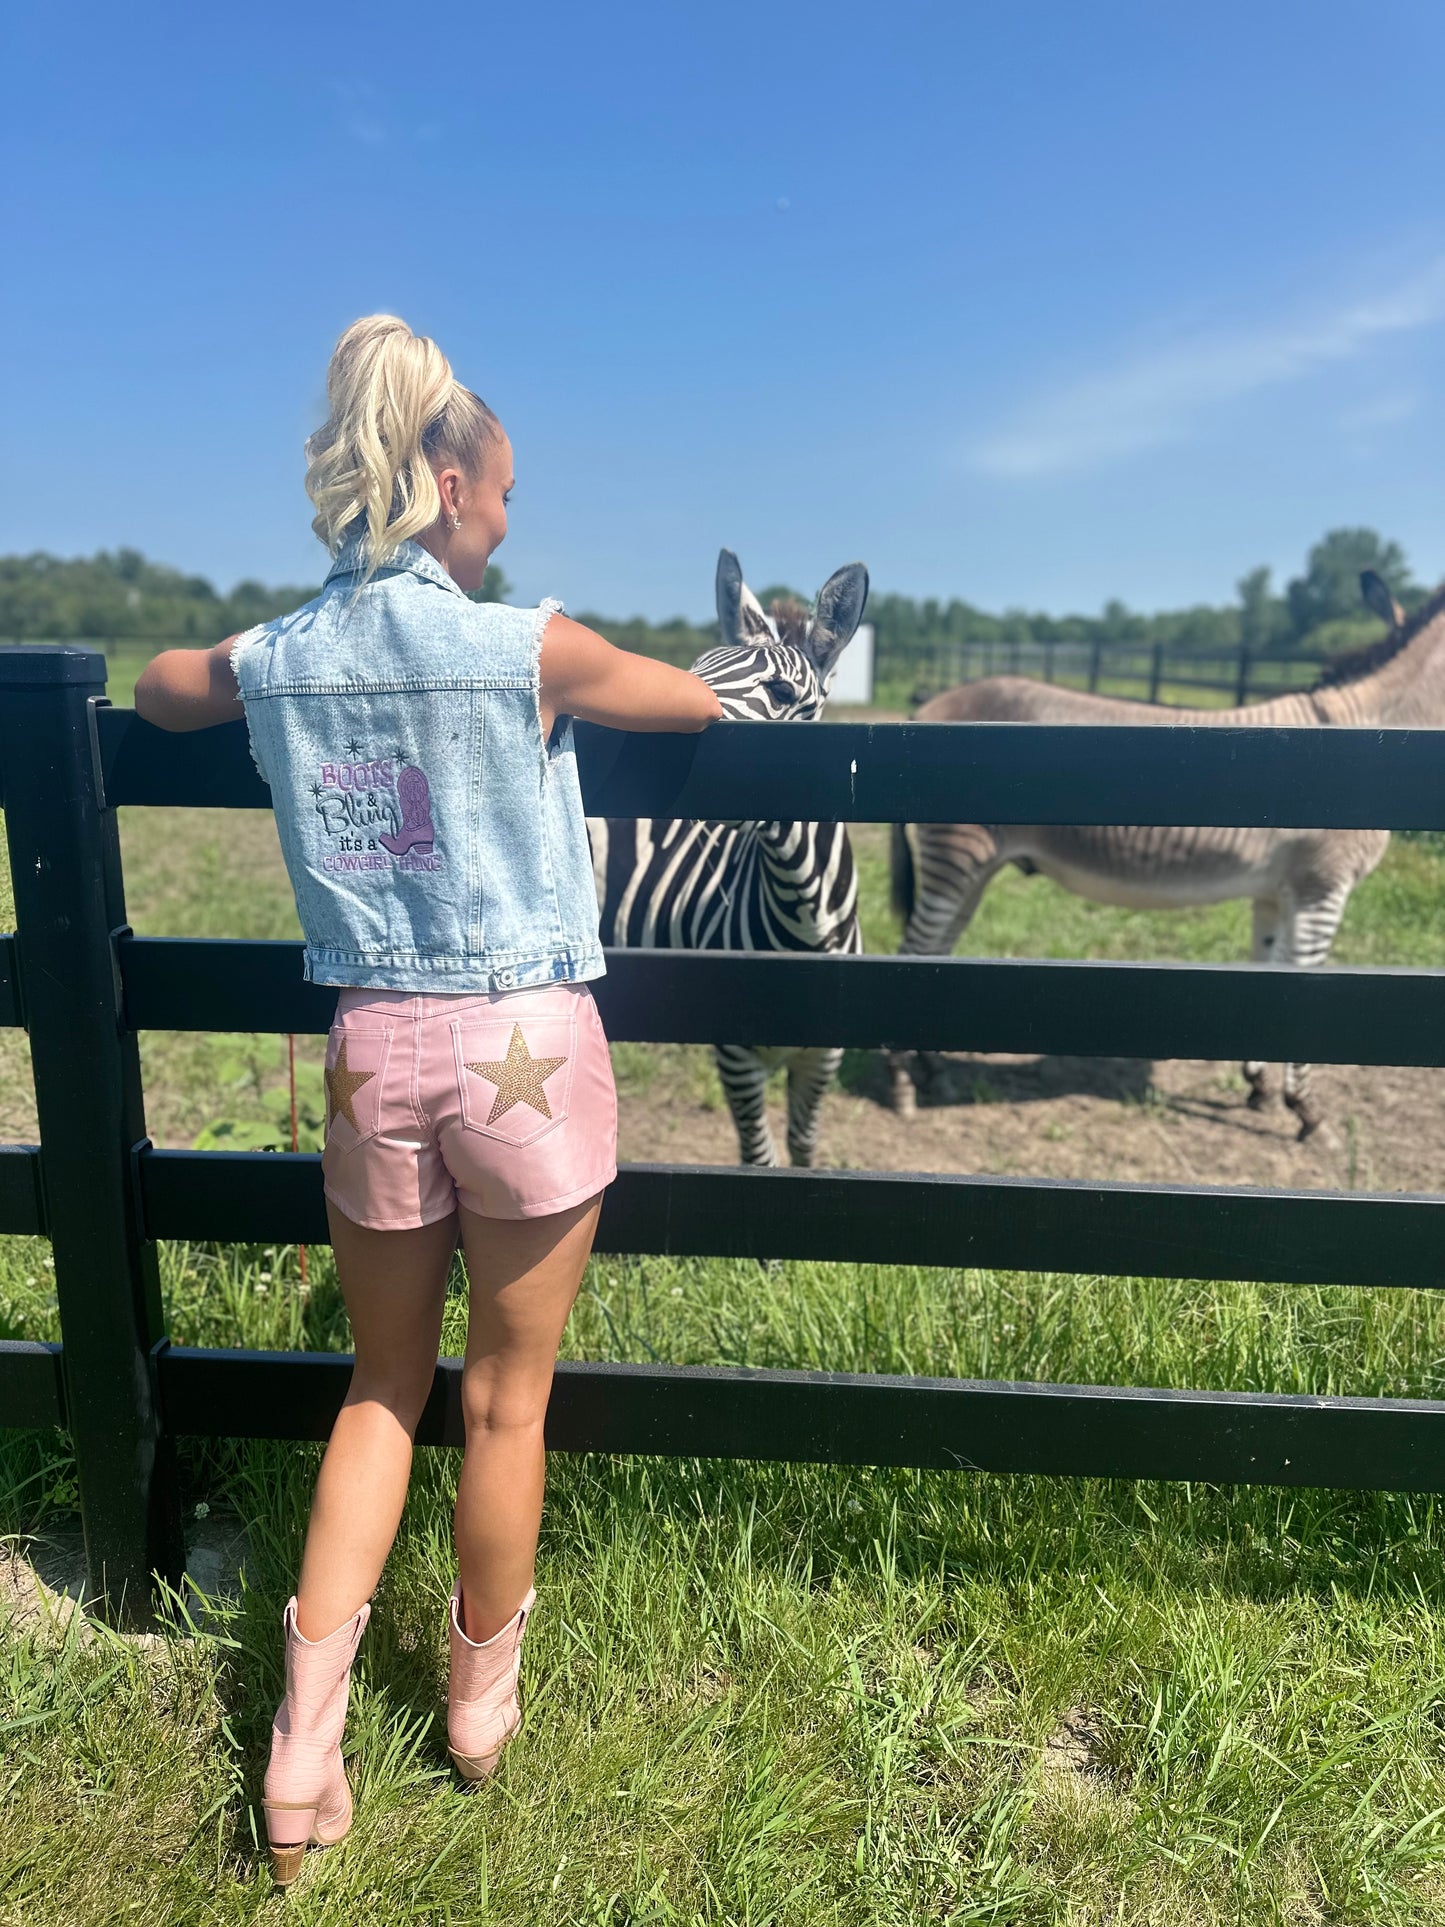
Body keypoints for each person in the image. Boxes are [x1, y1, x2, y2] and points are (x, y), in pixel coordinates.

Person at [134, 314, 722, 1885]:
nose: (512, 520)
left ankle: (302, 1753)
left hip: (372, 1049)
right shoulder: (529, 645)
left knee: (380, 1388)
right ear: (448, 479)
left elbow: (159, 684)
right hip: (524, 1045)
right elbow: (698, 703)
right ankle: (475, 1717)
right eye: (506, 492)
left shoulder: (278, 661)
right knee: (504, 1399)